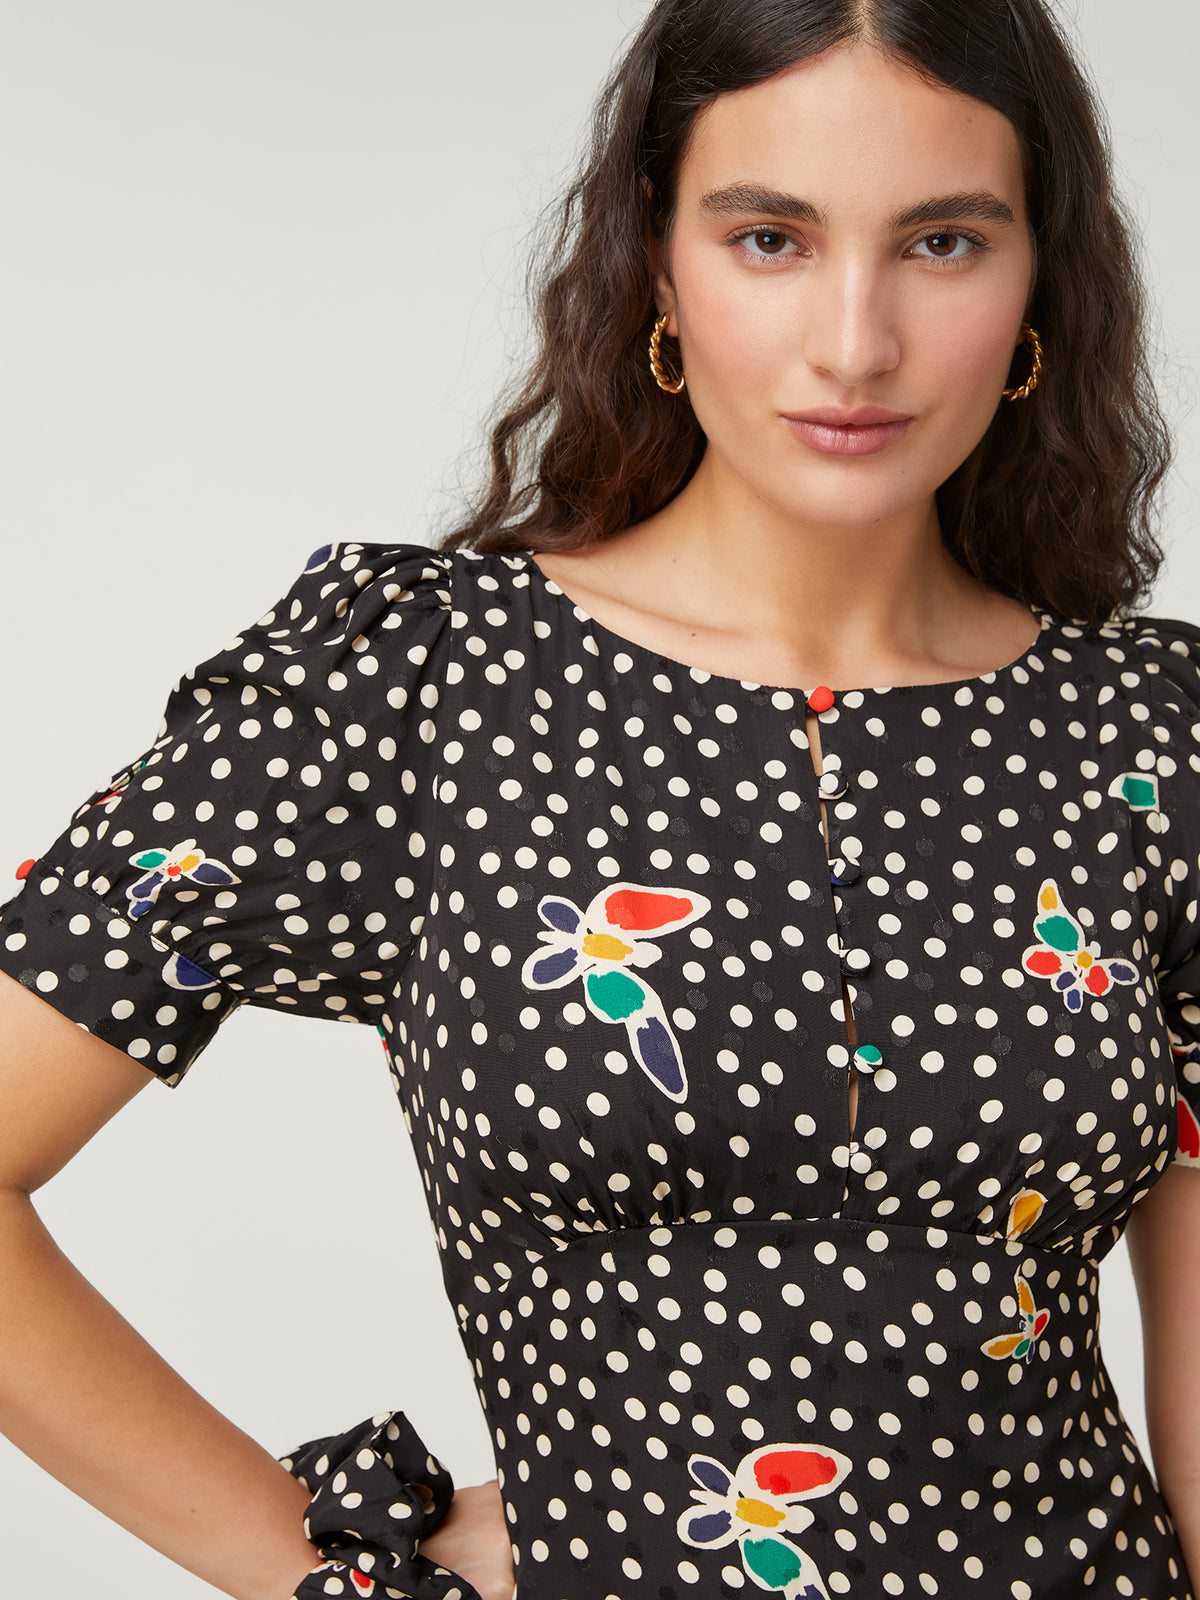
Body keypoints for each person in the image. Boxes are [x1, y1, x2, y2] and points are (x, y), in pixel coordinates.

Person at [1, 0, 1197, 1596]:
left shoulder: (1155, 739)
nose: (856, 340)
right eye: (770, 238)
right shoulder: (423, 683)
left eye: (943, 243)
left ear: (1041, 278)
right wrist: (321, 1566)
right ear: (657, 266)